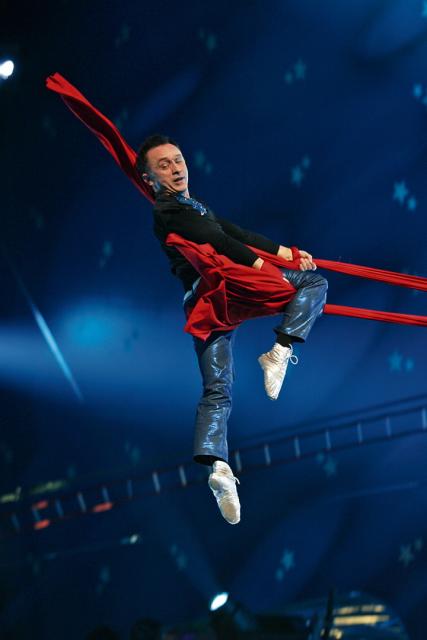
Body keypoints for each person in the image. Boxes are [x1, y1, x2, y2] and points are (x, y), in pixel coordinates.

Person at [136, 135, 328, 525]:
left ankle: (219, 469)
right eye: (164, 165)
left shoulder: (192, 206)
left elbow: (234, 231)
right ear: (149, 178)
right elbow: (220, 240)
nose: (175, 168)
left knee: (217, 386)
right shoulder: (168, 210)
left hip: (203, 305)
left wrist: (285, 253)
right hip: (223, 286)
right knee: (314, 285)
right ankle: (280, 350)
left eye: (178, 160)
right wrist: (267, 270)